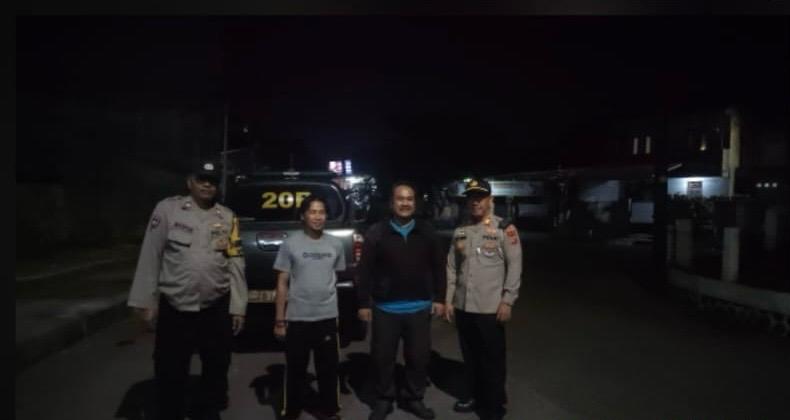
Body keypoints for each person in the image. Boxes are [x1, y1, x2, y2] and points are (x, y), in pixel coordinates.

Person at [127, 160, 248, 420]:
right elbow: (151, 254)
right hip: (176, 306)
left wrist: (238, 306)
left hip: (215, 306)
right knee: (170, 367)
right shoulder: (168, 210)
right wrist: (146, 301)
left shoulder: (227, 217)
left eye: (212, 181)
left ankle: (208, 411)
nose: (207, 185)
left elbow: (236, 262)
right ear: (190, 182)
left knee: (217, 365)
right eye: (201, 179)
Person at [356, 181, 446, 420]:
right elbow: (365, 270)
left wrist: (440, 298)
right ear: (391, 203)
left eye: (409, 199)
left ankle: (414, 398)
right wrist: (363, 303)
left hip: (419, 307)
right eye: (400, 199)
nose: (405, 203)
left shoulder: (427, 232)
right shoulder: (377, 232)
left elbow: (439, 266)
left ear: (415, 203)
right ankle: (384, 399)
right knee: (382, 358)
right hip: (385, 308)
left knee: (418, 358)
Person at [445, 178, 522, 420]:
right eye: (471, 197)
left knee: (492, 360)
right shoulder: (461, 231)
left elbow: (515, 265)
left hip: (490, 308)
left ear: (490, 200)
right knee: (470, 357)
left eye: (480, 197)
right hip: (463, 306)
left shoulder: (504, 229)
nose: (476, 202)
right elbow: (451, 267)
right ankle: (473, 395)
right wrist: (448, 300)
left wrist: (508, 300)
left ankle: (494, 405)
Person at [273, 195, 346, 420]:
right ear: (303, 216)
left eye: (321, 212)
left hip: (327, 317)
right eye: (312, 212)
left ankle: (329, 410)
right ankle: (291, 411)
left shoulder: (336, 244)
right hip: (298, 318)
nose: (317, 217)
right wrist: (280, 320)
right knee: (296, 369)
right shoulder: (290, 244)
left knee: (328, 369)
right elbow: (282, 283)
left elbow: (335, 277)